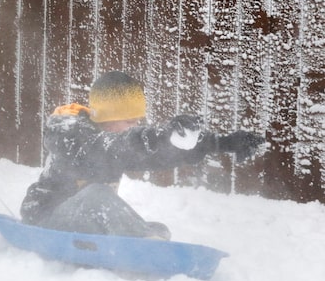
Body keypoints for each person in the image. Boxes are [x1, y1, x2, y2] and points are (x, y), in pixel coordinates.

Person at [20, 71, 265, 239]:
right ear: (108, 117)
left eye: (137, 121)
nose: (134, 126)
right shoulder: (70, 132)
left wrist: (222, 143)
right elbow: (111, 147)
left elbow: (156, 154)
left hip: (83, 222)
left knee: (159, 229)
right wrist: (160, 135)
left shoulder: (115, 142)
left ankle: (141, 238)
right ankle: (141, 242)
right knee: (97, 194)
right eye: (129, 121)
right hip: (45, 218)